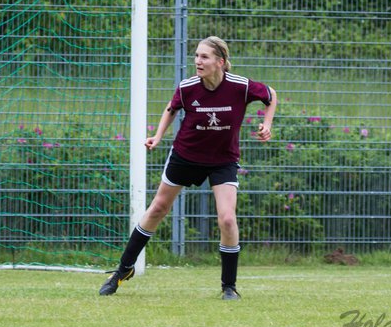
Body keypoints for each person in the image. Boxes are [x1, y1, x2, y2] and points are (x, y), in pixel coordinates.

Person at [99, 36, 277, 300]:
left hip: (223, 159)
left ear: (221, 62)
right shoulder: (188, 87)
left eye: (204, 57)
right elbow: (171, 108)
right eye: (196, 56)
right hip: (186, 155)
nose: (197, 61)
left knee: (227, 218)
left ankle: (229, 286)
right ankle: (123, 271)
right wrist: (158, 136)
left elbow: (271, 95)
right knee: (158, 208)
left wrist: (267, 124)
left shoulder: (240, 86)